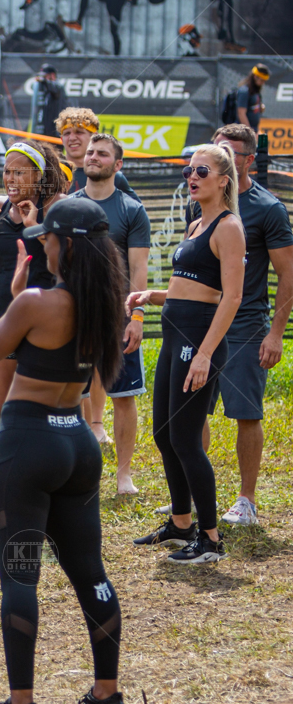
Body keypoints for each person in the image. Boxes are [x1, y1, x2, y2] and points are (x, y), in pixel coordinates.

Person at [0, 197, 130, 704]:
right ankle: (107, 695)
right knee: (90, 572)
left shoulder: (38, 303)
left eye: (48, 237)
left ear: (66, 244)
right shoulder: (104, 303)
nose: (42, 242)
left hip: (26, 447)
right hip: (77, 445)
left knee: (19, 576)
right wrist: (20, 299)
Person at [129, 144, 244, 564]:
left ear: (223, 180)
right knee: (164, 434)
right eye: (188, 171)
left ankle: (210, 540)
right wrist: (153, 294)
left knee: (185, 439)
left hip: (198, 341)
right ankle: (181, 524)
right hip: (175, 337)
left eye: (201, 171)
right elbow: (189, 286)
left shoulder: (229, 227)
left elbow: (231, 297)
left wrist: (204, 353)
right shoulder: (196, 223)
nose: (192, 177)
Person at [191, 124, 293, 527]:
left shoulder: (268, 208)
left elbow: (288, 274)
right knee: (193, 411)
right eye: (216, 151)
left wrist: (275, 333)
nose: (219, 159)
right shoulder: (201, 202)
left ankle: (246, 500)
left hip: (246, 326)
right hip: (202, 324)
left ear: (249, 160)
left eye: (229, 153)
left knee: (246, 414)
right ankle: (196, 495)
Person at [0, 140, 66, 449]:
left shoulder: (58, 206)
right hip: (4, 322)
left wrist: (34, 227)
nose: (10, 179)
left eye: (19, 173)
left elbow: (69, 263)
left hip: (46, 325)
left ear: (38, 175)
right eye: (7, 172)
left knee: (42, 412)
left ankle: (44, 470)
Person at [72, 134, 150, 493]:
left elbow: (139, 270)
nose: (93, 157)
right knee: (72, 394)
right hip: (75, 317)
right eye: (90, 152)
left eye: (102, 154)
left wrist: (137, 317)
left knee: (123, 396)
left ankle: (123, 475)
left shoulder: (132, 209)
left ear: (118, 165)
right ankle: (75, 472)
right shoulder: (68, 207)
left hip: (118, 316)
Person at [56, 108, 137, 199]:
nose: (72, 138)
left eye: (79, 132)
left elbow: (135, 206)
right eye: (67, 133)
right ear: (62, 139)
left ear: (94, 136)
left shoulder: (111, 175)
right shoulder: (53, 173)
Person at [31, 64, 66, 139]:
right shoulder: (46, 89)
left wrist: (44, 81)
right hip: (46, 130)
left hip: (55, 130)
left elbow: (54, 88)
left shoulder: (58, 87)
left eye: (45, 76)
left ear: (52, 75)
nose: (43, 78)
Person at [231, 64, 268, 132]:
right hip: (243, 132)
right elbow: (241, 113)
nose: (263, 83)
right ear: (255, 77)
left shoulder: (255, 92)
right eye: (262, 80)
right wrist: (250, 132)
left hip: (253, 130)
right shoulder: (244, 91)